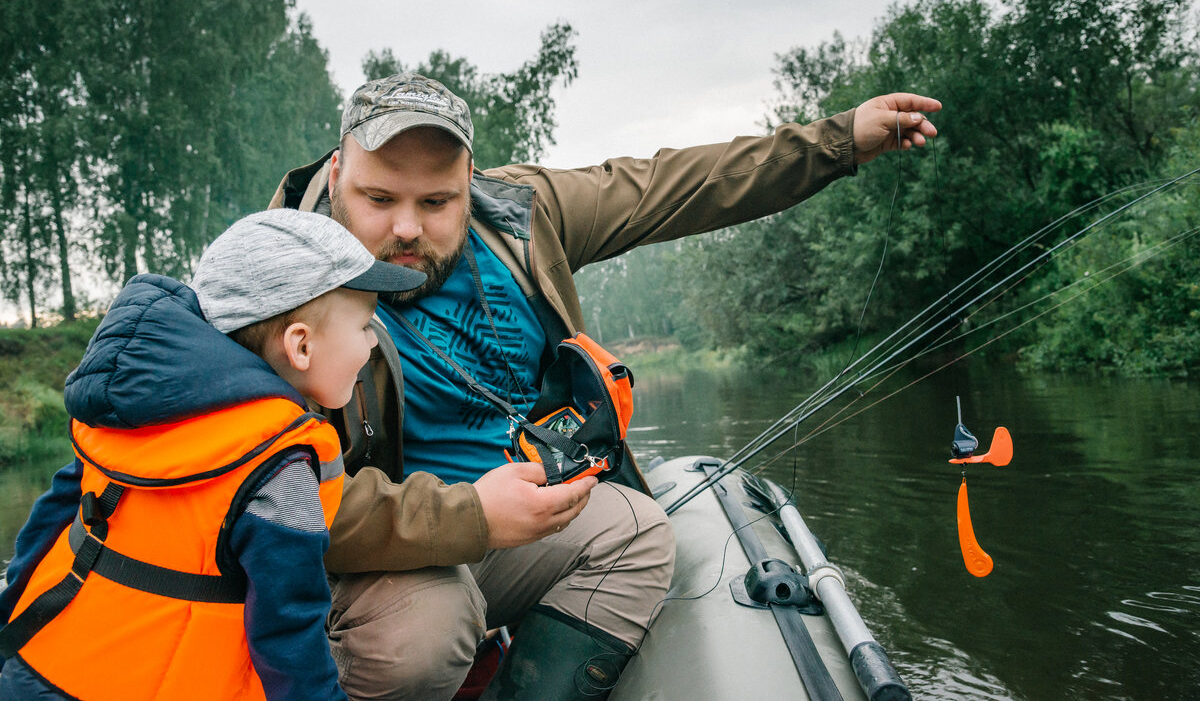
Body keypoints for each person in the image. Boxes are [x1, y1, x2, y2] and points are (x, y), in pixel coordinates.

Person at [270, 73, 941, 701]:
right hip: (378, 565)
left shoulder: (521, 217)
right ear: (337, 174)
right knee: (428, 630)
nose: (407, 228)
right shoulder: (278, 287)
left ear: (470, 181)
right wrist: (469, 515)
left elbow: (674, 187)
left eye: (437, 201)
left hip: (504, 535)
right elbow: (293, 505)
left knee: (639, 532)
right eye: (379, 199)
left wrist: (836, 142)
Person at [0, 210, 427, 701]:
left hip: (34, 669)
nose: (373, 344)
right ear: (301, 346)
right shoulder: (280, 468)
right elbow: (290, 632)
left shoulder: (131, 412)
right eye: (365, 327)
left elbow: (47, 526)